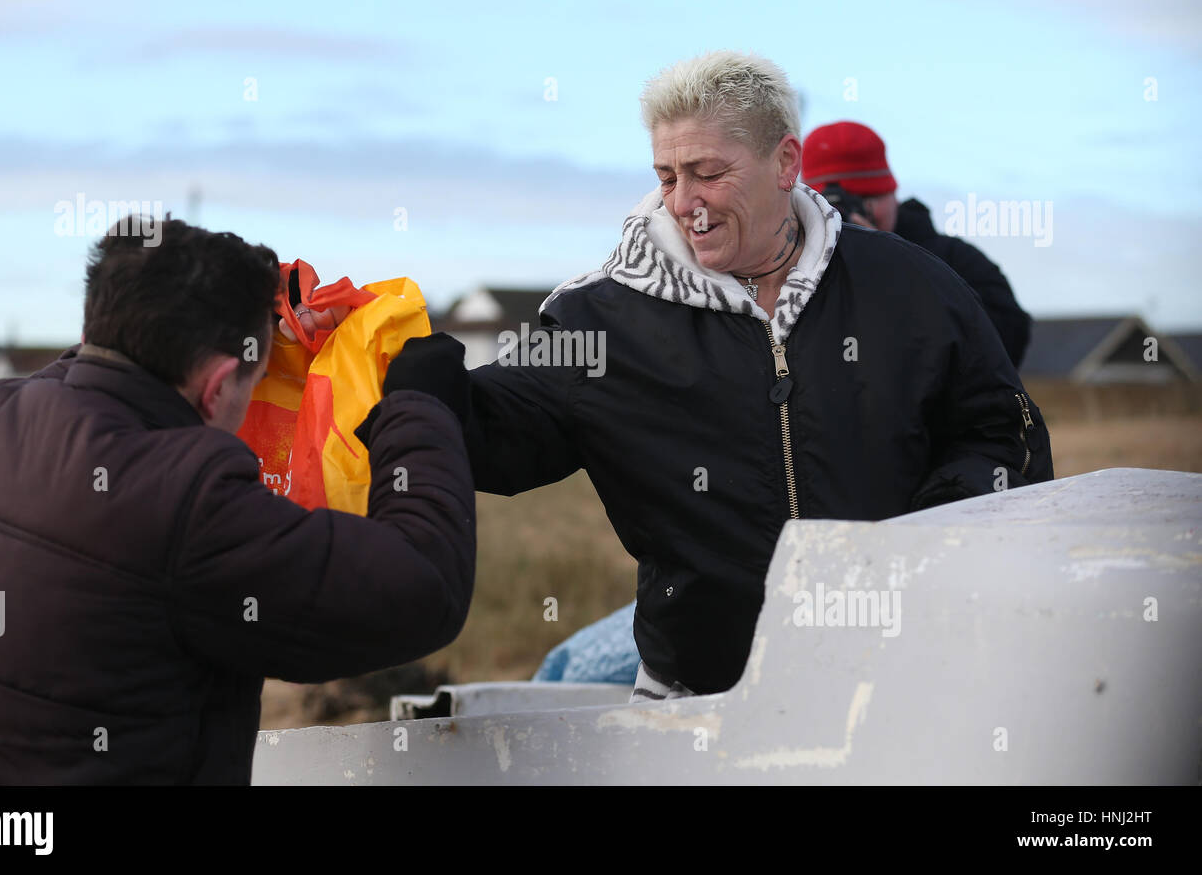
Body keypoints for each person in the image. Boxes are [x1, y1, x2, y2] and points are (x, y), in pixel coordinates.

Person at [348, 50, 1054, 704]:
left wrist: (914, 544)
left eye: (709, 173)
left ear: (785, 163)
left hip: (905, 680)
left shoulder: (909, 285)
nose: (685, 201)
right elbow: (495, 427)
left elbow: (998, 431)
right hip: (697, 707)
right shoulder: (603, 319)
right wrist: (395, 371)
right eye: (666, 176)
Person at [0, 217, 476, 784]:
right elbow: (425, 587)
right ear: (219, 385)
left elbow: (99, 357)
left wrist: (236, 300)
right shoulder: (187, 503)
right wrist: (418, 402)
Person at [801, 120, 1032, 366]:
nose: (849, 215)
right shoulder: (790, 269)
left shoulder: (952, 261)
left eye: (867, 198)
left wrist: (894, 264)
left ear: (893, 194)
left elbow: (1008, 342)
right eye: (833, 207)